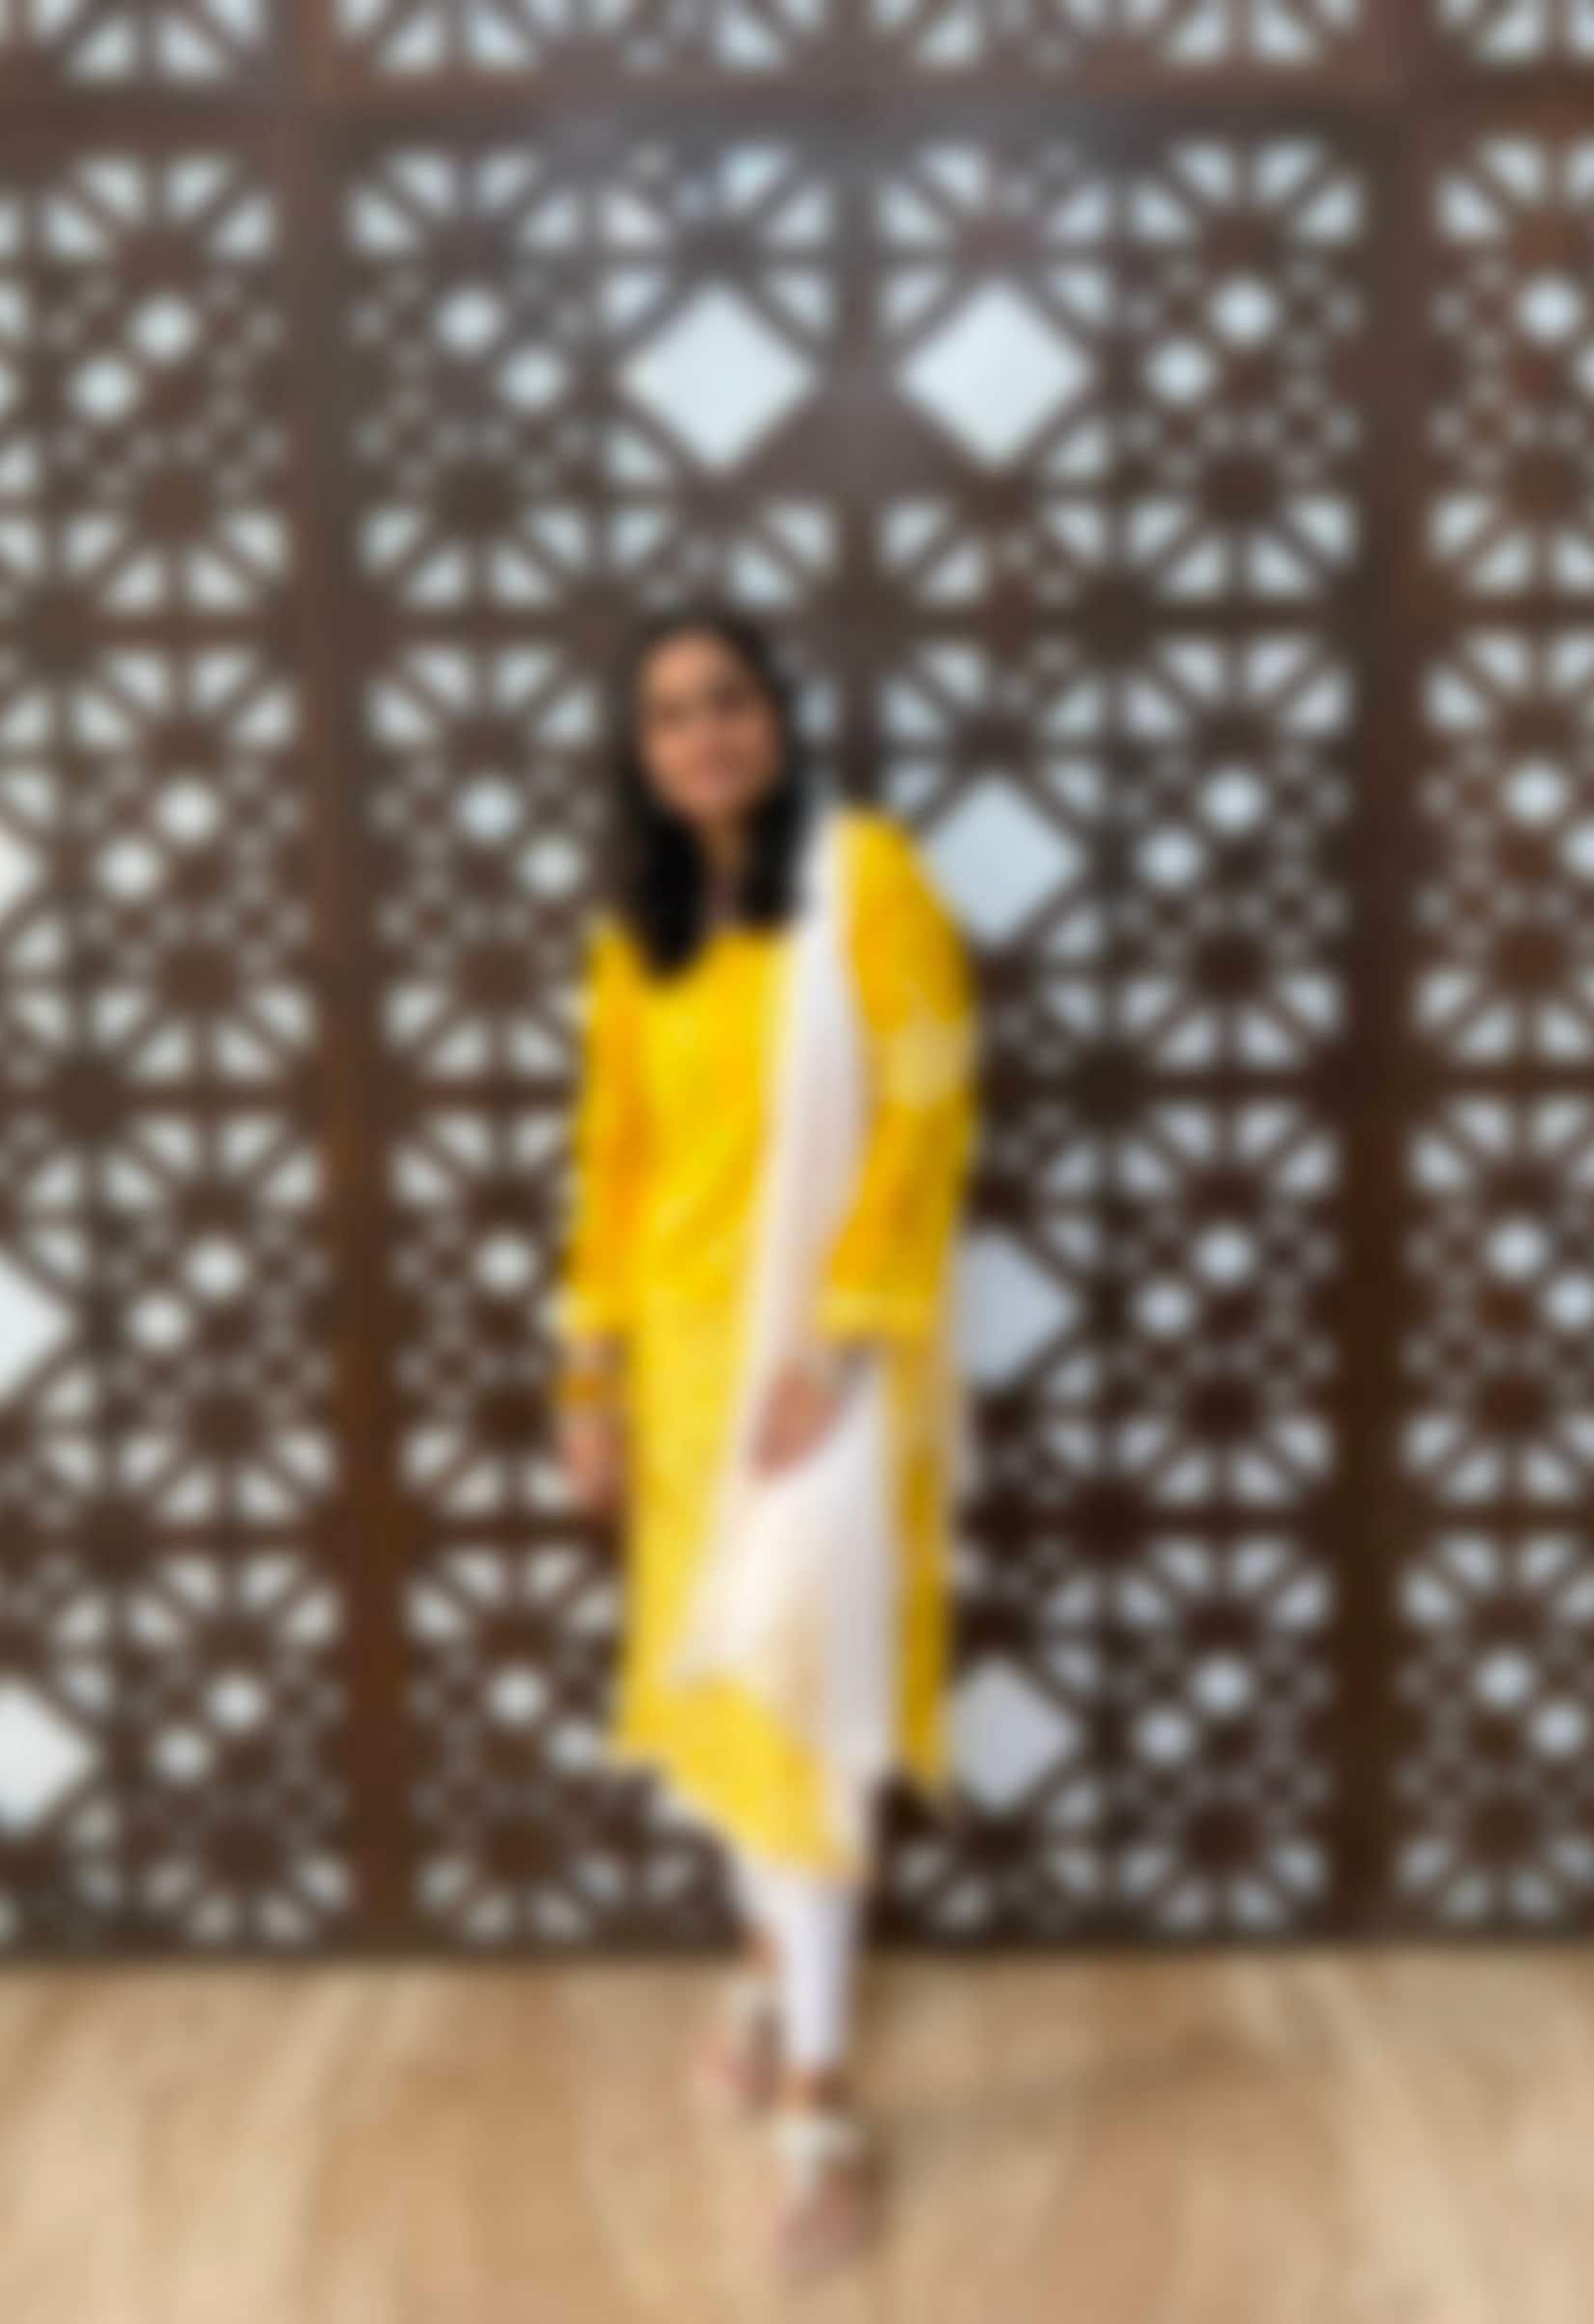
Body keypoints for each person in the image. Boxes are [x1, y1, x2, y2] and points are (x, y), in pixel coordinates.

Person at [551, 601, 977, 2276]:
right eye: (667, 715)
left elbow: (930, 1105)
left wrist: (844, 1340)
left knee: (808, 1697)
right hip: (680, 1376)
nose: (703, 734)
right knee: (730, 1691)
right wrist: (586, 1378)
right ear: (642, 757)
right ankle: (758, 1973)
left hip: (824, 1372)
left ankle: (819, 2103)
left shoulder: (866, 879)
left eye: (726, 699)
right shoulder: (637, 933)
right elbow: (614, 1158)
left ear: (776, 717)